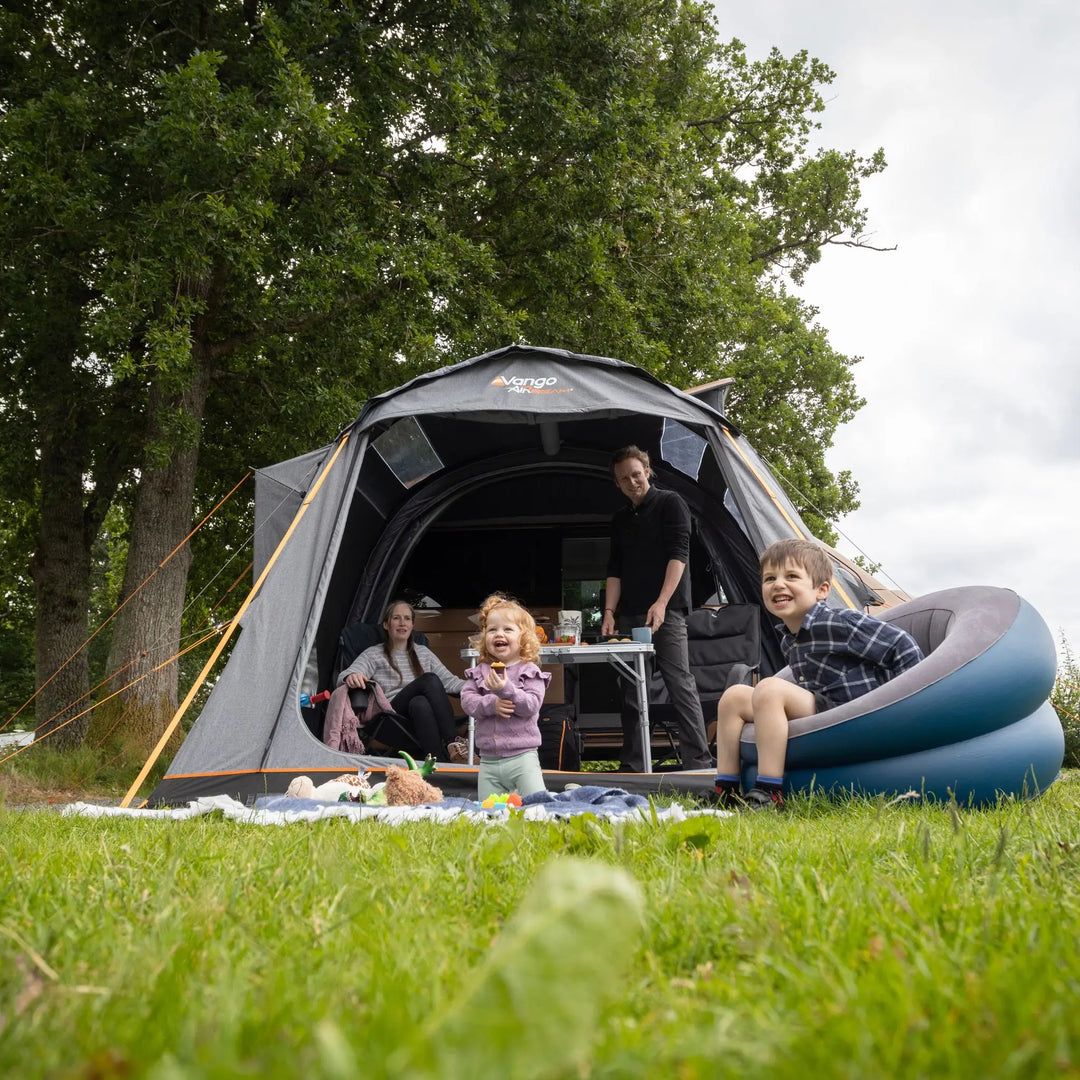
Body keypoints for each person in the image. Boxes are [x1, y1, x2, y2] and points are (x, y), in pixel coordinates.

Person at [715, 537, 925, 810]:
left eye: (791, 576)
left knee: (769, 688)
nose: (778, 584)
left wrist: (909, 699)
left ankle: (769, 792)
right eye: (769, 579)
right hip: (823, 705)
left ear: (822, 589)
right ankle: (726, 792)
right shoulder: (789, 637)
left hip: (855, 710)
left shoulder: (839, 622)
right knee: (734, 697)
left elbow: (901, 644)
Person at [601, 445, 713, 772]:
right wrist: (609, 612)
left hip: (668, 611)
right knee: (633, 691)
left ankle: (699, 764)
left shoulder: (670, 503)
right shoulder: (620, 519)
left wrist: (662, 603)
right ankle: (635, 765)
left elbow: (679, 555)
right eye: (624, 479)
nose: (632, 482)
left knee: (680, 684)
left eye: (636, 474)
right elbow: (614, 568)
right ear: (617, 484)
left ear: (647, 471)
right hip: (631, 613)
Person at [337, 600, 465, 760]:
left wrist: (479, 686)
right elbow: (344, 676)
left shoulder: (423, 653)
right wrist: (352, 676)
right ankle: (453, 742)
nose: (402, 623)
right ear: (386, 624)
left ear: (412, 625)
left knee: (420, 703)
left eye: (407, 618)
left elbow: (450, 682)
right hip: (389, 720)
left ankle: (437, 762)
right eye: (396, 618)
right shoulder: (373, 654)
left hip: (421, 721)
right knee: (429, 679)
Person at [460, 594, 550, 801]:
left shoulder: (530, 670)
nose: (499, 634)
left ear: (524, 638)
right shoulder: (481, 671)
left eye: (507, 629)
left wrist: (505, 689)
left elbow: (532, 705)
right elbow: (467, 701)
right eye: (492, 629)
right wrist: (491, 704)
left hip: (523, 758)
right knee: (490, 813)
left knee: (536, 806)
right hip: (489, 761)